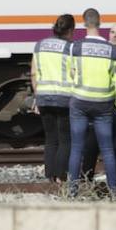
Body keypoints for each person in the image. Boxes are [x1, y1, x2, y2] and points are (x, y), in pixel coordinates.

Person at [66, 8, 116, 198]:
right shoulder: (113, 50)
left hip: (80, 101)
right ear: (100, 23)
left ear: (84, 23)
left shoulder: (75, 47)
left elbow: (71, 73)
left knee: (76, 148)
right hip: (103, 104)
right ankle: (114, 192)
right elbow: (113, 75)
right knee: (107, 149)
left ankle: (72, 192)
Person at [81, 23, 116, 183]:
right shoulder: (100, 55)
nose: (114, 35)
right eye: (112, 32)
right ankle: (85, 181)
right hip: (101, 105)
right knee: (91, 145)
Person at [31, 13, 75, 183]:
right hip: (64, 98)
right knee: (65, 139)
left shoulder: (39, 45)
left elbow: (34, 72)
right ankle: (61, 176)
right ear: (71, 30)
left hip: (43, 97)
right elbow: (73, 73)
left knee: (50, 139)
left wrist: (37, 95)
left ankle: (50, 176)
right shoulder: (70, 48)